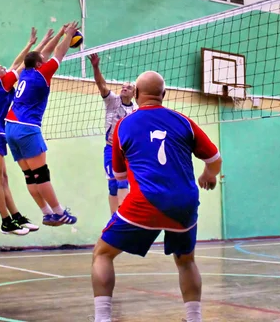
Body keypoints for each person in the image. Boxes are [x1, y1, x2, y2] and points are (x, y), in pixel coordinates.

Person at [91, 71, 222, 322]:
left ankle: (103, 318)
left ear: (137, 94)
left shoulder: (123, 125)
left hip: (145, 202)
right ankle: (194, 318)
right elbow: (215, 160)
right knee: (186, 261)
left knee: (103, 253)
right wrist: (209, 175)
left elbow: (119, 176)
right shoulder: (183, 121)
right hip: (184, 203)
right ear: (164, 95)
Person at [5, 21, 81, 227]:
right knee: (41, 174)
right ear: (40, 64)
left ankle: (47, 213)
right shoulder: (41, 74)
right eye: (42, 60)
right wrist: (69, 35)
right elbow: (58, 52)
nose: (45, 58)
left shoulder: (25, 72)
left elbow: (44, 52)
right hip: (27, 128)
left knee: (30, 176)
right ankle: (59, 212)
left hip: (9, 127)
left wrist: (60, 32)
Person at [0, 27, 51, 235]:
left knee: (4, 179)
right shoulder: (3, 83)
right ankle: (5, 221)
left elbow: (19, 63)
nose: (7, 68)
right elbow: (24, 64)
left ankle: (16, 217)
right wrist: (39, 45)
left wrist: (32, 44)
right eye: (2, 68)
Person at [88, 53, 137, 214]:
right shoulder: (113, 101)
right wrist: (95, 67)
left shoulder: (136, 111)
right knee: (113, 185)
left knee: (123, 182)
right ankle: (114, 218)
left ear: (134, 94)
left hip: (127, 152)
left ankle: (124, 217)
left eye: (128, 87)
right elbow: (101, 85)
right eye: (123, 86)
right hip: (110, 149)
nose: (124, 88)